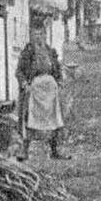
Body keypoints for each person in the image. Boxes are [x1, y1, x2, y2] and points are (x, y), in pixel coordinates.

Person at [17, 25, 68, 161]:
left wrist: (60, 81)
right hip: (34, 90)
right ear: (31, 36)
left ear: (45, 35)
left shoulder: (51, 52)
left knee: (54, 119)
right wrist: (24, 84)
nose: (38, 37)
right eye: (35, 34)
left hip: (51, 91)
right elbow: (19, 72)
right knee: (30, 119)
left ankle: (55, 150)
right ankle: (24, 151)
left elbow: (57, 69)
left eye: (40, 34)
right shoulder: (27, 53)